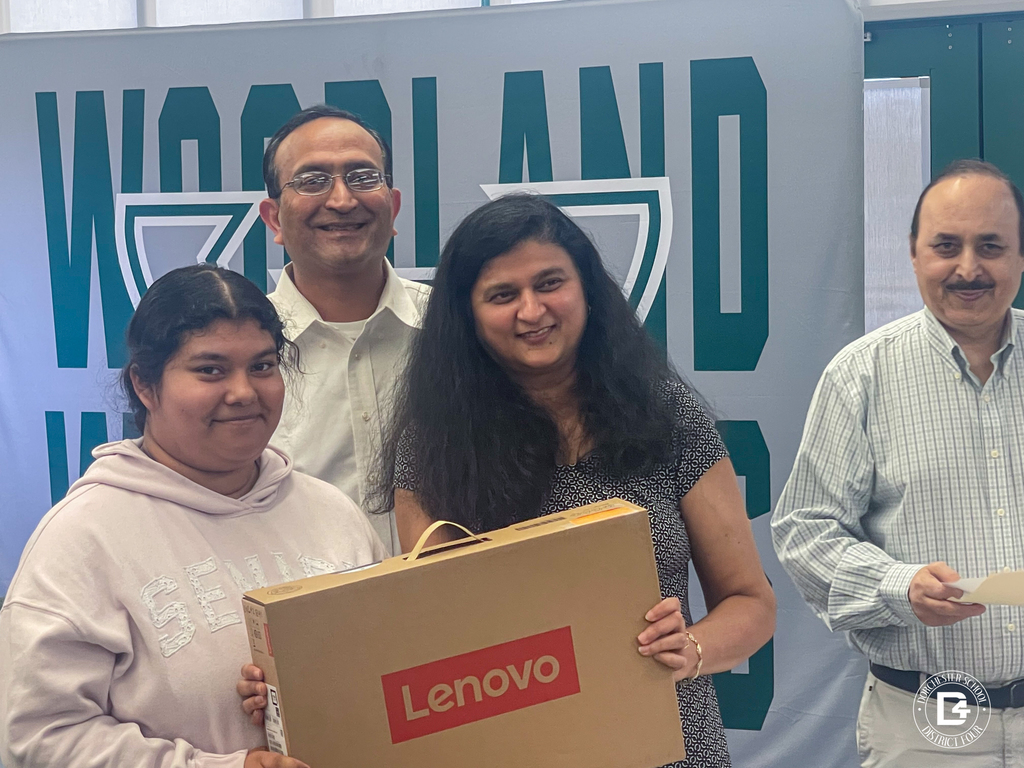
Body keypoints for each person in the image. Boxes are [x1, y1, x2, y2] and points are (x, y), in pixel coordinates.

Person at [374, 193, 776, 767]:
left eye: (550, 283)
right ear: (466, 314)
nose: (532, 311)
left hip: (668, 741)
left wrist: (690, 647)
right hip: (514, 745)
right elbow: (444, 637)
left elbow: (751, 603)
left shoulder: (665, 414)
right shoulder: (435, 441)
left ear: (586, 288)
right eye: (502, 295)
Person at [0, 264, 387, 768]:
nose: (244, 392)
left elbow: (391, 663)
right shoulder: (81, 538)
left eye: (263, 366)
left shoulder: (331, 512)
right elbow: (36, 736)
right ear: (145, 384)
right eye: (210, 370)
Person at [772, 159, 1024, 766]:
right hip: (929, 715)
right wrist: (896, 586)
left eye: (991, 246)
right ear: (913, 254)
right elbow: (804, 530)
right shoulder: (861, 375)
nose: (969, 268)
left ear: (1020, 256)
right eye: (946, 246)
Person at [259, 104, 430, 556]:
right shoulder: (242, 352)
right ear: (274, 218)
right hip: (303, 618)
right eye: (312, 181)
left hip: (463, 611)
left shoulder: (456, 326)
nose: (341, 200)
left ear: (392, 207)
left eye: (362, 176)